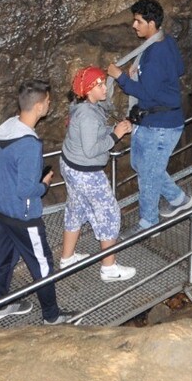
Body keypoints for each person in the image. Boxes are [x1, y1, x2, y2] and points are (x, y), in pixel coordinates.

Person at [0, 80, 69, 323]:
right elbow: (26, 190)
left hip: (2, 208)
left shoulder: (9, 127)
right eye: (47, 101)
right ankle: (52, 316)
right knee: (43, 264)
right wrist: (44, 184)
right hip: (22, 215)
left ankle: (0, 305)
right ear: (38, 107)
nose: (49, 104)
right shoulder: (29, 145)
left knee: (5, 259)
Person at [106, 0, 190, 230]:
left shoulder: (155, 54)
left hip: (161, 124)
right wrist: (143, 71)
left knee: (149, 177)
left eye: (138, 21)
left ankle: (148, 224)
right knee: (142, 166)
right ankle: (178, 199)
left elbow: (147, 93)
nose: (134, 25)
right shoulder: (164, 41)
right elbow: (179, 69)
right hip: (151, 119)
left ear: (151, 23)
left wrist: (120, 76)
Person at [58, 67, 136, 282]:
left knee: (75, 207)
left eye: (104, 82)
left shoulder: (80, 106)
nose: (105, 87)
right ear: (88, 90)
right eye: (99, 84)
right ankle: (109, 268)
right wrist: (116, 134)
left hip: (70, 166)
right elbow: (92, 149)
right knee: (109, 213)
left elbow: (89, 133)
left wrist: (112, 127)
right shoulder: (88, 116)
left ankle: (67, 257)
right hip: (86, 173)